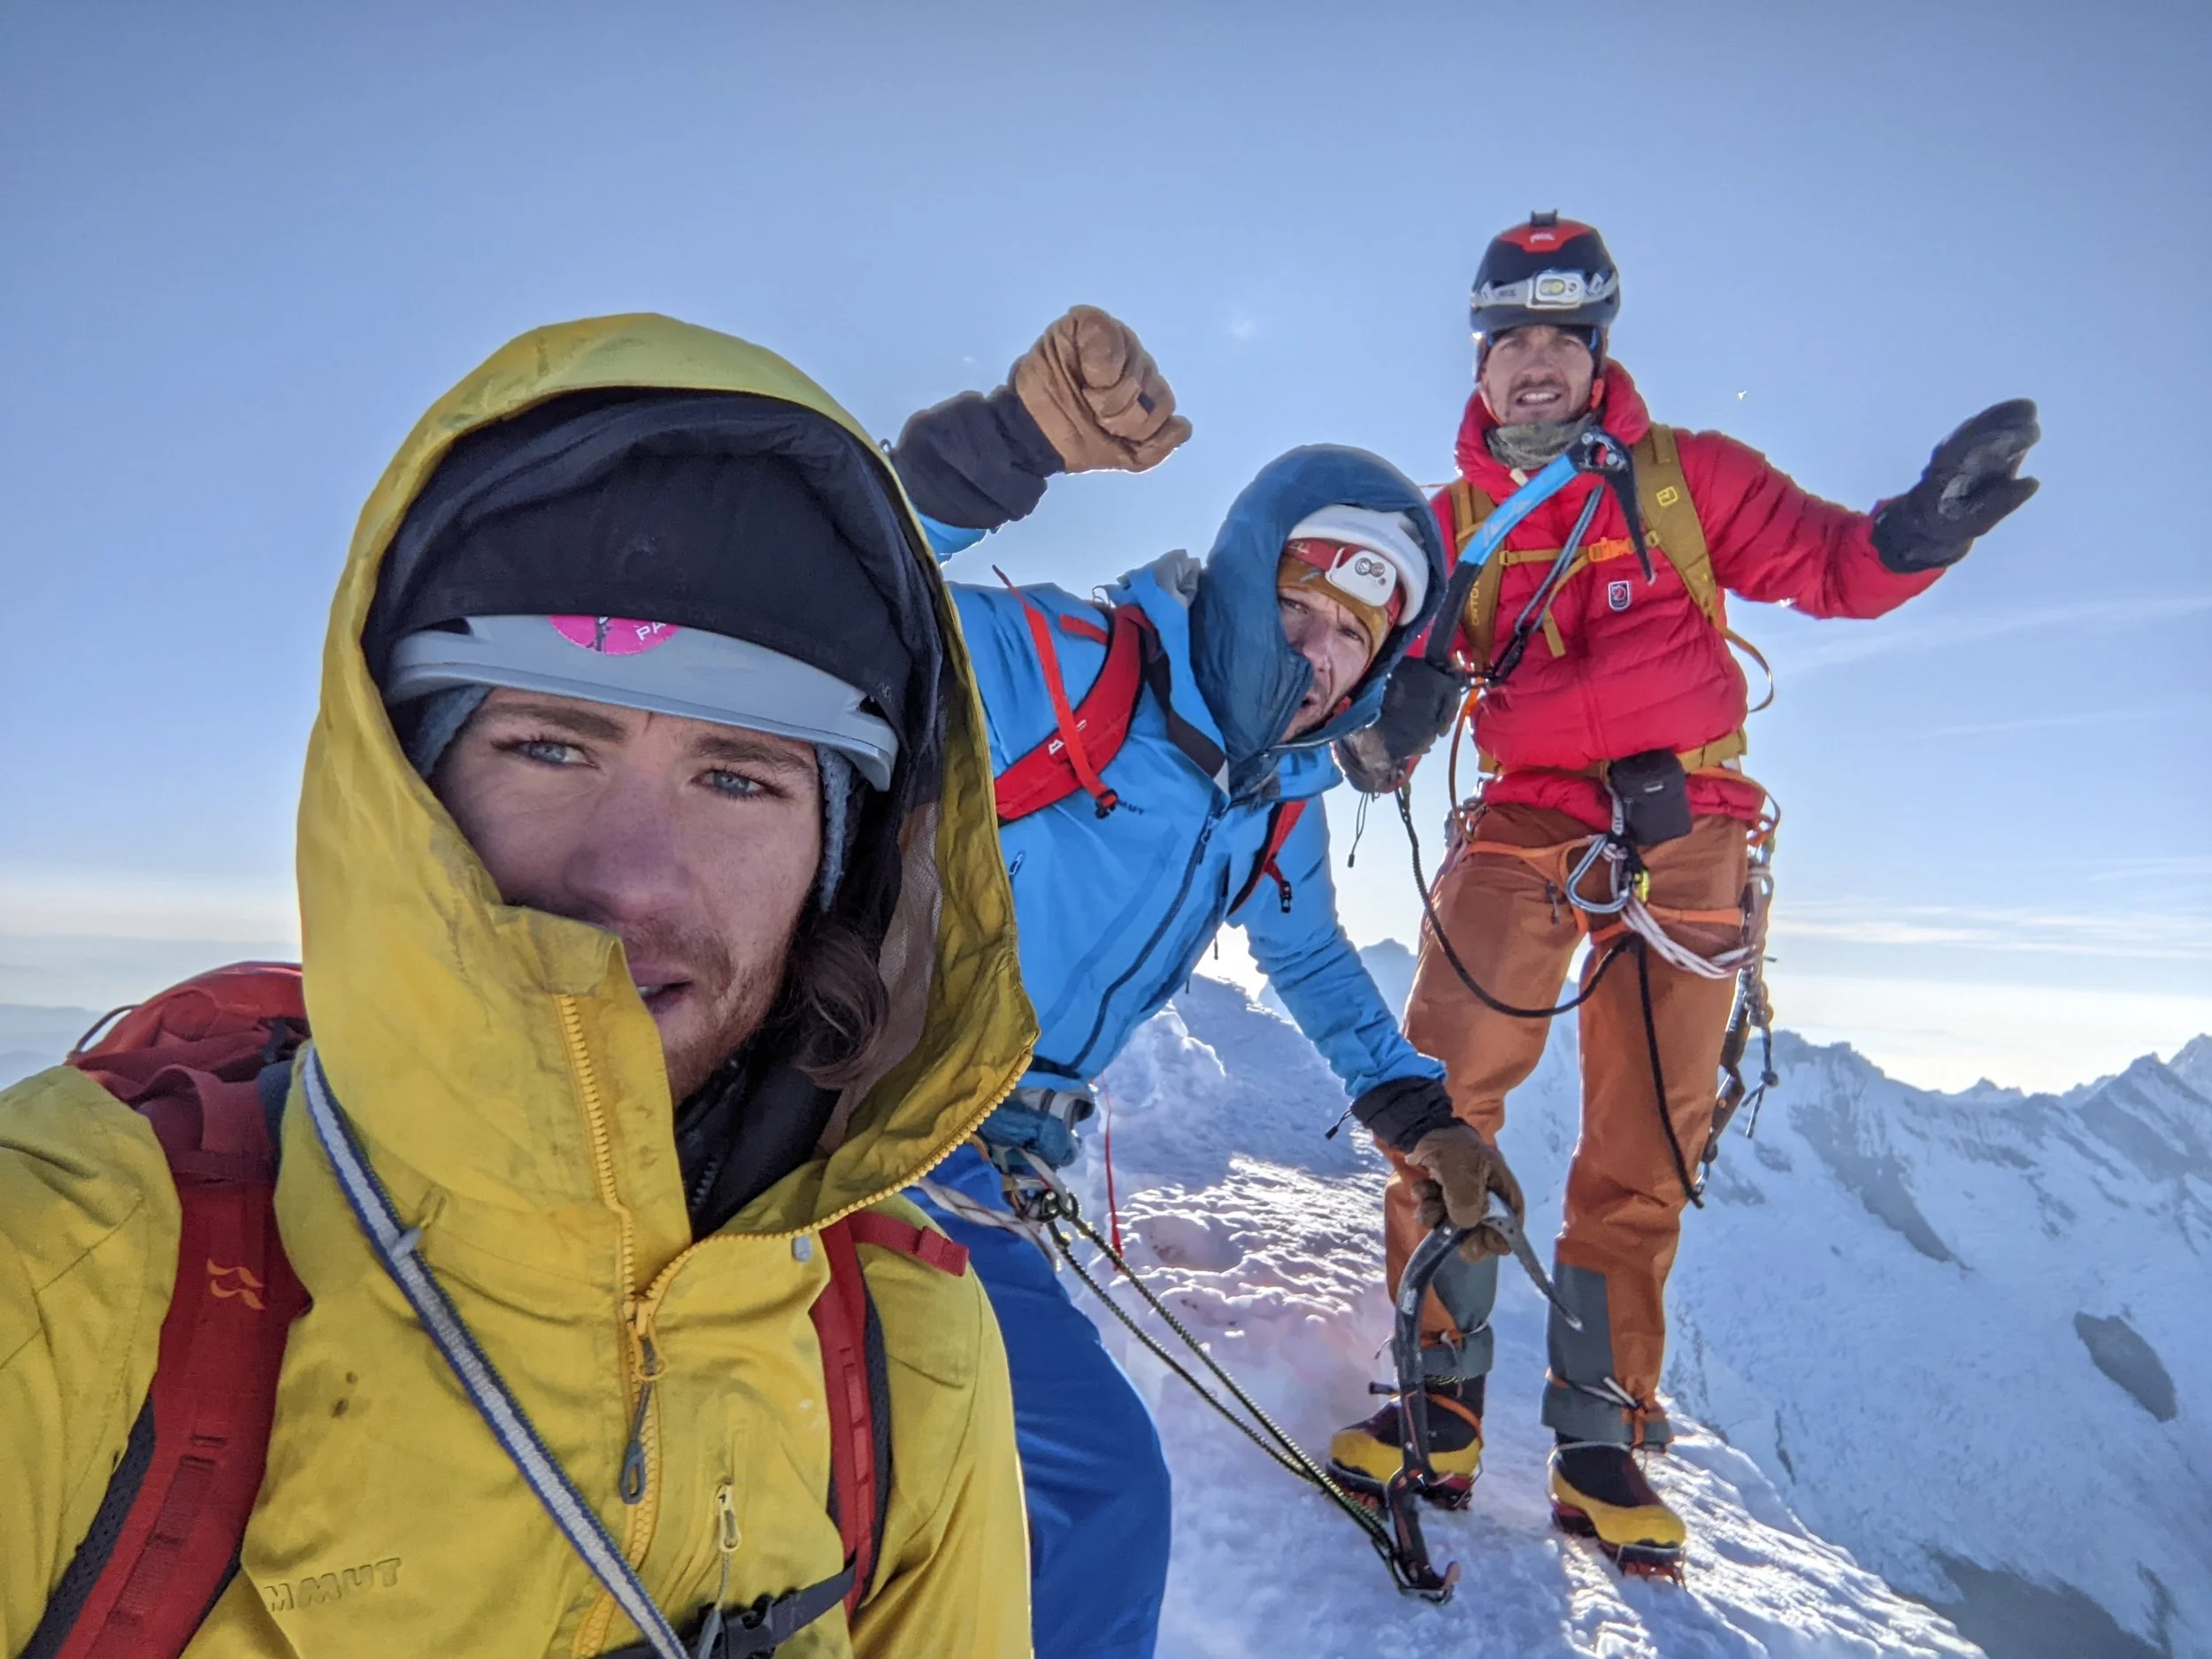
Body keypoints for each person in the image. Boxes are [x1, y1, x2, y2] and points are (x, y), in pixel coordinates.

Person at [0, 313, 1038, 1657]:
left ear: (837, 869)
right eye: (549, 746)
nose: (634, 881)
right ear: (406, 785)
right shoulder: (70, 1267)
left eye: (739, 778)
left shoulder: (908, 1348)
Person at [1326, 213, 2041, 1575]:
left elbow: (1830, 564)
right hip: (1526, 814)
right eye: (1513, 338)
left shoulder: (1684, 478)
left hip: (1689, 819)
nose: (1537, 361)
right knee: (1441, 1094)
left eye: (1563, 336)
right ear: (1482, 362)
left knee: (1646, 1136)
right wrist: (1378, 720)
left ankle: (1599, 1439)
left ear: (1599, 353)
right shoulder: (1452, 526)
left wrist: (1918, 532)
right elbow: (1370, 668)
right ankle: (1439, 1400)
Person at [884, 307, 1452, 1657]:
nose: (1314, 654)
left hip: (1003, 1156)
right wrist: (997, 451)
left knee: (976, 1494)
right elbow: (850, 590)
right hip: (891, 1117)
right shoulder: (1068, 668)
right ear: (1245, 576)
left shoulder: (1275, 800)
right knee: (1097, 1495)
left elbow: (1306, 952)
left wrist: (1412, 1107)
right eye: (1298, 606)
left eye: (1351, 638)